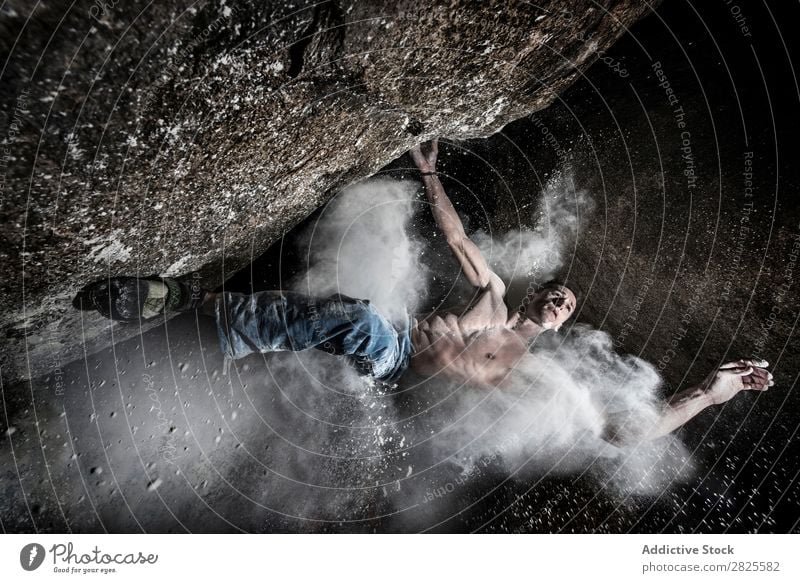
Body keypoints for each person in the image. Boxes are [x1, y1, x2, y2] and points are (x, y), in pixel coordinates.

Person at [74, 140, 773, 445]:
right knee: (350, 307)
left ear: (565, 326)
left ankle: (192, 314)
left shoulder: (535, 373)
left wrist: (712, 392)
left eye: (566, 306)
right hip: (394, 344)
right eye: (556, 292)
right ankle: (208, 325)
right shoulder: (495, 296)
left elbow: (626, 431)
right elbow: (461, 236)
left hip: (396, 381)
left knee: (358, 323)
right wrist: (431, 175)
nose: (557, 301)